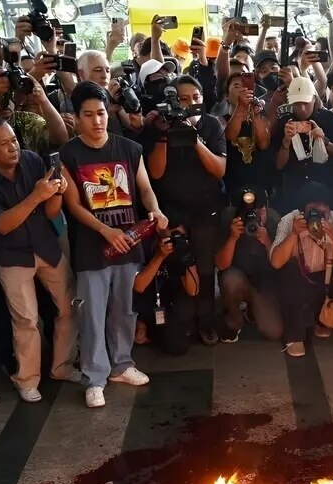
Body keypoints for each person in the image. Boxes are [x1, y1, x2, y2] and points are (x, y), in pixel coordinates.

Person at [60, 82, 166, 408]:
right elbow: (74, 205)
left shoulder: (129, 149)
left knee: (125, 307)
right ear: (76, 118)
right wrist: (105, 232)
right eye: (88, 115)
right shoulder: (68, 154)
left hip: (130, 240)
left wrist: (156, 209)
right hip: (92, 247)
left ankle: (122, 364)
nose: (97, 121)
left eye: (102, 113)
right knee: (92, 313)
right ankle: (95, 377)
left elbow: (144, 188)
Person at [0, 116, 78, 404]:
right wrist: (37, 196)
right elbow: (1, 224)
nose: (13, 147)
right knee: (27, 319)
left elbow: (52, 213)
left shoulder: (31, 160)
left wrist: (57, 193)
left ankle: (62, 367)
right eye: (3, 144)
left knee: (69, 306)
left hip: (45, 245)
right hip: (11, 254)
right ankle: (27, 379)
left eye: (14, 139)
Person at [146, 75, 227, 346]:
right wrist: (165, 134)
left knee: (205, 268)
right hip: (173, 211)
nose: (191, 103)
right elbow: (155, 173)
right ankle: (183, 321)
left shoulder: (212, 125)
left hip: (206, 210)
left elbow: (219, 170)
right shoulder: (161, 126)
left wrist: (194, 139)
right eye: (183, 99)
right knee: (176, 264)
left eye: (196, 97)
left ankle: (206, 321)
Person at [269, 184, 333, 357]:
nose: (320, 211)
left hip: (326, 279)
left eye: (324, 206)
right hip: (299, 280)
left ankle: (321, 320)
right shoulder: (289, 221)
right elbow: (276, 263)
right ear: (303, 209)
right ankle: (294, 336)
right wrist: (293, 234)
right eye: (313, 208)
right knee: (289, 271)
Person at [217, 188, 283, 343]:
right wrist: (232, 238)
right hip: (239, 278)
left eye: (257, 213)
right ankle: (235, 317)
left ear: (265, 210)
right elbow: (221, 264)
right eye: (247, 214)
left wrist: (267, 242)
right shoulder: (228, 218)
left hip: (264, 284)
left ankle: (253, 311)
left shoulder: (274, 220)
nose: (252, 219)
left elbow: (280, 264)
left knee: (274, 332)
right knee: (230, 280)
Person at [271, 76, 333, 212]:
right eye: (297, 104)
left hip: (327, 188)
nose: (303, 109)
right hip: (294, 191)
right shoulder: (284, 122)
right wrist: (286, 142)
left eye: (306, 103)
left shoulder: (330, 119)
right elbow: (279, 165)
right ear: (290, 103)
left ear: (314, 99)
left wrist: (324, 141)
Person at [134, 221, 202, 356]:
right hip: (148, 302)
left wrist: (186, 257)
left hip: (171, 304)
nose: (174, 240)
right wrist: (160, 255)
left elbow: (193, 290)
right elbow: (139, 287)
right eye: (171, 235)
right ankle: (141, 323)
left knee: (177, 346)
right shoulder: (146, 246)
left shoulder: (184, 248)